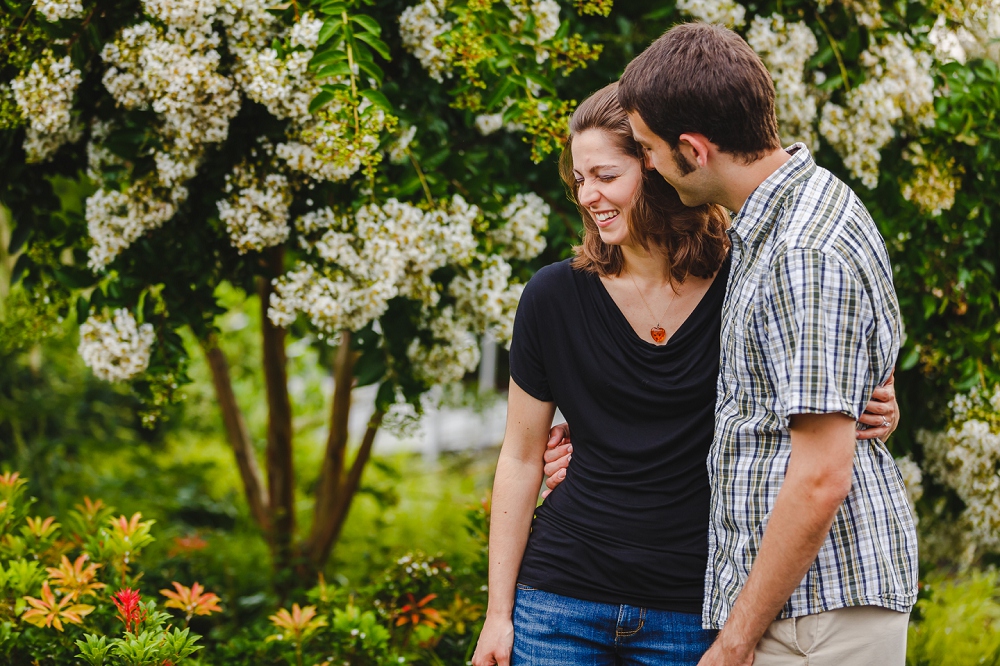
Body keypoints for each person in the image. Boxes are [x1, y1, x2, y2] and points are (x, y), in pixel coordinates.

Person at [471, 80, 898, 666]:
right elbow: (519, 458)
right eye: (579, 179)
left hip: (691, 608)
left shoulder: (747, 279)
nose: (587, 195)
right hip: (559, 597)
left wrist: (873, 405)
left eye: (606, 175)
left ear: (656, 167)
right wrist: (498, 615)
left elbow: (820, 385)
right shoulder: (552, 295)